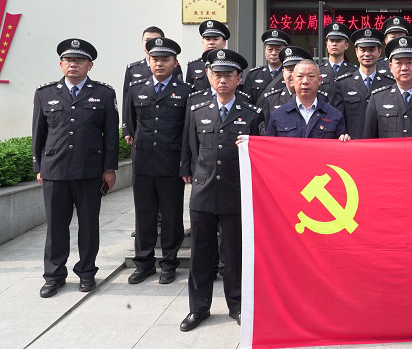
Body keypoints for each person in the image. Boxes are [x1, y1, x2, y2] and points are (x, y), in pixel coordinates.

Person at [179, 48, 264, 331]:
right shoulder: (197, 110)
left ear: (239, 78)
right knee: (201, 254)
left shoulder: (252, 114)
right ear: (209, 76)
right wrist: (191, 174)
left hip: (235, 192)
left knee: (235, 254)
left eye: (229, 75)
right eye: (217, 74)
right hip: (203, 191)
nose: (223, 80)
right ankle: (198, 308)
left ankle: (237, 305)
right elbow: (191, 148)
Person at [32, 39, 119, 297]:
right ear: (61, 64)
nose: (73, 64)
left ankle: (87, 272)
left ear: (89, 65)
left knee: (89, 226)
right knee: (55, 226)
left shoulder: (104, 94)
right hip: (54, 170)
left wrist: (109, 169)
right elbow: (38, 134)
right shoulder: (45, 93)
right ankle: (54, 275)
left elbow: (111, 135)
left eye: (79, 60)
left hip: (89, 171)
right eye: (68, 60)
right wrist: (39, 167)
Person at [122, 37, 190, 285]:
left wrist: (185, 164)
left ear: (175, 63)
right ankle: (144, 262)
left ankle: (169, 263)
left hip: (171, 162)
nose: (159, 63)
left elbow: (187, 131)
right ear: (148, 62)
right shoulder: (136, 89)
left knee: (171, 216)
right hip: (143, 162)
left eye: (165, 59)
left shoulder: (186, 92)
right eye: (155, 59)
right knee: (144, 215)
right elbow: (131, 124)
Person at [330, 28, 393, 139]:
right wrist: (342, 135)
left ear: (379, 52)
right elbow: (337, 119)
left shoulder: (390, 83)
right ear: (356, 52)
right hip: (352, 144)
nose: (367, 54)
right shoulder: (343, 84)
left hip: (381, 144)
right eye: (362, 50)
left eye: (372, 50)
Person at [266, 60, 349, 139]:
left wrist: (344, 141)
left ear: (319, 80)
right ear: (293, 79)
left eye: (310, 76)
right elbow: (268, 146)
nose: (305, 81)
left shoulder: (334, 115)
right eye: (300, 76)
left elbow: (339, 147)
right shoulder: (278, 115)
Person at [122, 26, 183, 102]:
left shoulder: (173, 66)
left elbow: (180, 90)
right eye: (147, 40)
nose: (159, 64)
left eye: (165, 60)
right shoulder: (133, 69)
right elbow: (127, 99)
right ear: (142, 42)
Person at [257, 45, 312, 125]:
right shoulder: (270, 100)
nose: (293, 75)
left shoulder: (319, 98)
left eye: (297, 70)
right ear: (283, 73)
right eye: (289, 70)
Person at [244, 29, 291, 103]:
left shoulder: (291, 74)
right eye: (270, 49)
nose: (273, 53)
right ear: (264, 50)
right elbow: (246, 102)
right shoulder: (253, 75)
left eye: (278, 50)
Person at [185, 20, 230, 92]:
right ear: (203, 42)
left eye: (215, 39)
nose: (211, 43)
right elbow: (189, 92)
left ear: (224, 43)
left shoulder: (231, 64)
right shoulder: (193, 66)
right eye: (208, 39)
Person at [319, 22, 355, 94]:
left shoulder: (354, 71)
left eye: (339, 41)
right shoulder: (318, 71)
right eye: (331, 41)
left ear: (346, 46)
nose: (334, 44)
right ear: (327, 44)